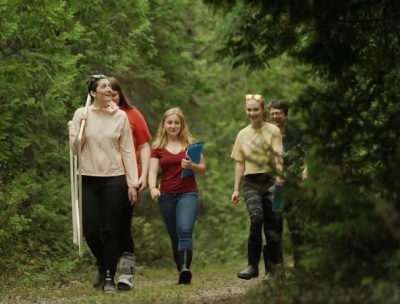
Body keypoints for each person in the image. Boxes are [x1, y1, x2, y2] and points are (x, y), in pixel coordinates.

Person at [69, 75, 138, 293]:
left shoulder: (120, 117)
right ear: (93, 93)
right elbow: (75, 149)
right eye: (104, 86)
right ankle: (103, 262)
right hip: (87, 177)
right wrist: (79, 132)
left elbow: (128, 150)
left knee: (109, 229)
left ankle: (110, 276)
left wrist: (132, 183)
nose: (109, 89)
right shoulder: (81, 114)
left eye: (110, 86)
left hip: (113, 177)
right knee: (90, 229)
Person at [148, 107, 206, 284]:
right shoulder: (157, 147)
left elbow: (202, 169)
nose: (173, 126)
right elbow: (152, 172)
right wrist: (152, 188)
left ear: (182, 125)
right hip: (166, 196)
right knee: (174, 235)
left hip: (187, 194)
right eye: (169, 122)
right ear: (164, 125)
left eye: (176, 123)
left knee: (184, 230)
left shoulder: (191, 144)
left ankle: (185, 269)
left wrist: (191, 166)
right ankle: (181, 270)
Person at [231, 94, 284, 282]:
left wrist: (279, 177)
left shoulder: (273, 131)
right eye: (249, 110)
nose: (252, 113)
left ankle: (272, 270)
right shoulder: (242, 134)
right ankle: (252, 266)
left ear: (263, 110)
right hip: (251, 182)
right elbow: (239, 163)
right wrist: (236, 188)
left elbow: (278, 156)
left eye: (255, 109)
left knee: (273, 225)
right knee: (256, 218)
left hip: (272, 182)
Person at [108, 77, 152, 291]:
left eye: (114, 94)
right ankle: (107, 271)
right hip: (102, 179)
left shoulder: (132, 115)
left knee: (123, 226)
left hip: (128, 179)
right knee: (104, 228)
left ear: (120, 94)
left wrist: (141, 176)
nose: (111, 99)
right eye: (107, 94)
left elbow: (144, 146)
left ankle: (126, 275)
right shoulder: (95, 116)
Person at [268, 100, 307, 269]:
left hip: (295, 185)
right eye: (273, 113)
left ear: (286, 115)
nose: (275, 116)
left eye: (278, 113)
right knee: (276, 226)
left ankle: (300, 264)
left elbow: (307, 153)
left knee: (296, 225)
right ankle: (278, 267)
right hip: (276, 186)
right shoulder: (265, 133)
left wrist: (306, 169)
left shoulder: (295, 133)